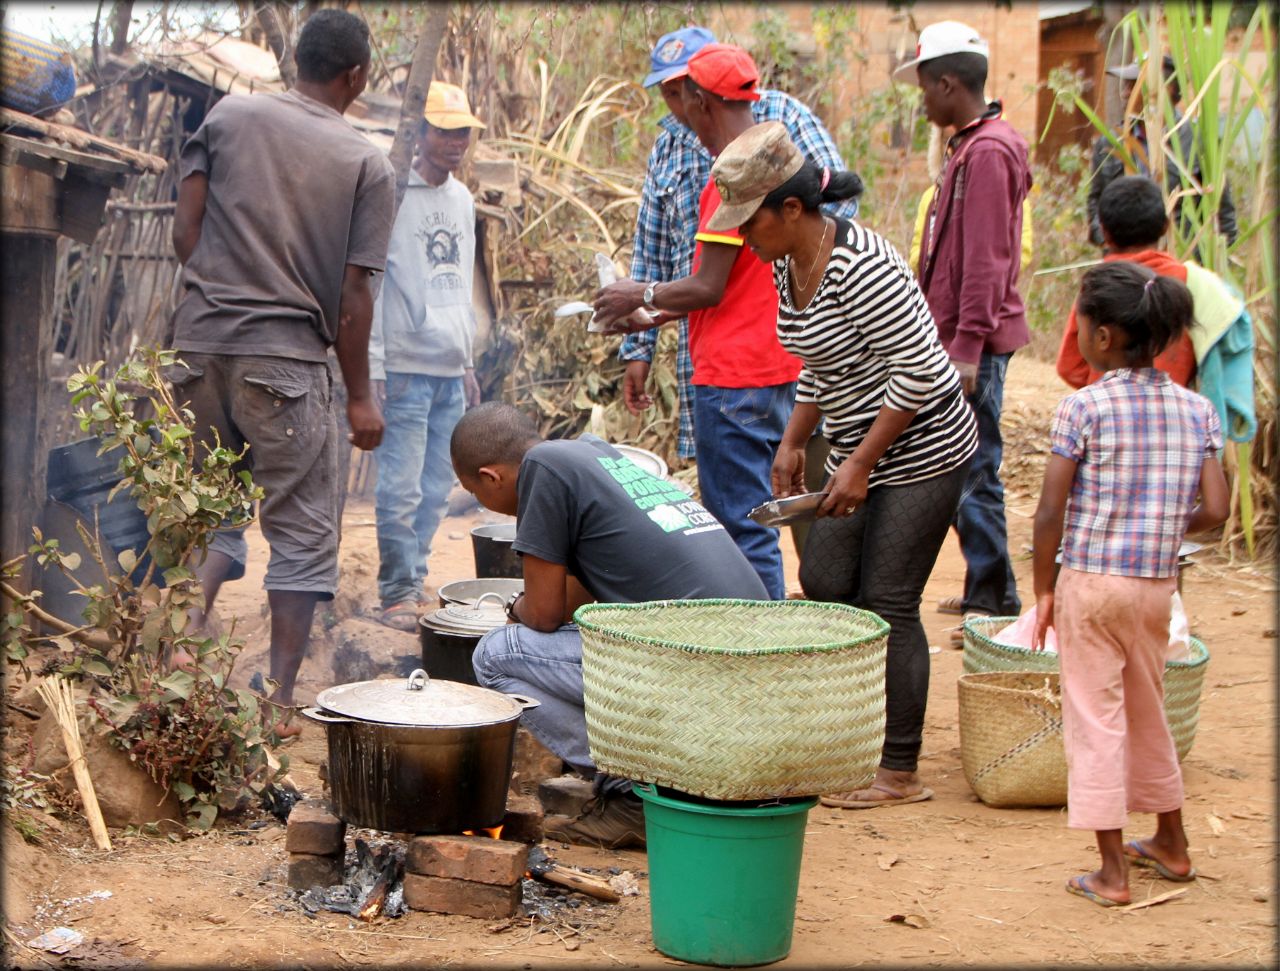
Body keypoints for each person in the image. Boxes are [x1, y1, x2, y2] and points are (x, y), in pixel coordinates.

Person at [708, 122, 977, 809]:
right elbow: (822, 364)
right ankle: (857, 732)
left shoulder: (863, 266)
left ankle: (898, 769)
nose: (742, 235)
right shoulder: (784, 261)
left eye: (750, 221)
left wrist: (857, 463)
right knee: (827, 578)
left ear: (791, 209)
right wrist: (795, 440)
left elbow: (921, 374)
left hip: (923, 447)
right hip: (857, 439)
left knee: (890, 600)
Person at [168, 9, 395, 717]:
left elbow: (184, 232)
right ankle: (279, 699)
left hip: (197, 350)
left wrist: (222, 294)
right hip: (287, 363)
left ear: (298, 59)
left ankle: (180, 645)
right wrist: (360, 397)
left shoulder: (229, 116)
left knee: (206, 504)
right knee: (300, 532)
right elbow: (353, 296)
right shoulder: (366, 162)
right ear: (355, 76)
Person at [450, 402, 768, 848]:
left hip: (701, 663)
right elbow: (570, 604)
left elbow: (541, 615)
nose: (483, 503)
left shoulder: (540, 470)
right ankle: (661, 778)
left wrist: (512, 607)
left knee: (496, 654)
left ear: (489, 477)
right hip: (752, 653)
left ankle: (632, 796)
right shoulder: (593, 453)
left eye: (474, 492)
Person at [1031, 261, 1228, 906]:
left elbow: (1049, 511)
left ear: (1105, 337)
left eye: (1081, 323)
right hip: (1155, 588)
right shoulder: (1196, 410)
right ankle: (1171, 843)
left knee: (1095, 720)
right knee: (1147, 711)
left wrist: (1043, 590)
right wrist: (1164, 525)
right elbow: (1218, 511)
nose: (1079, 333)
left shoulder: (1083, 406)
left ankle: (1111, 873)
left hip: (1092, 582)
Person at [594, 43, 815, 600]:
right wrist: (654, 314)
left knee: (744, 527)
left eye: (682, 100)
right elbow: (735, 283)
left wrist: (636, 292)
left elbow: (710, 285)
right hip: (781, 363)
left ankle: (760, 654)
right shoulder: (779, 155)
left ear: (700, 101)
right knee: (766, 515)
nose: (680, 114)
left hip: (733, 377)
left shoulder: (732, 174)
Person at [618, 26, 856, 468]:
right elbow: (655, 250)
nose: (678, 105)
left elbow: (835, 210)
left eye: (682, 90)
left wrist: (640, 295)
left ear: (702, 94)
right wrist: (641, 342)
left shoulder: (782, 124)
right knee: (756, 500)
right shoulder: (670, 145)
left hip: (781, 356)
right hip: (719, 352)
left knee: (785, 502)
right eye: (667, 93)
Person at [896, 21, 1031, 639]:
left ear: (948, 83)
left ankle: (995, 599)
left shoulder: (990, 152)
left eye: (924, 86)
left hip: (970, 343)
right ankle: (986, 582)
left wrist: (968, 347)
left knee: (973, 464)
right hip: (953, 337)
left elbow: (986, 261)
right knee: (960, 461)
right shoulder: (972, 147)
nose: (921, 100)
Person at [369, 82, 485, 631]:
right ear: (419, 132)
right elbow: (369, 285)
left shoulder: (462, 200)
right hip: (405, 366)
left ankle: (414, 577)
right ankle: (396, 591)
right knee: (400, 486)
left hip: (447, 368)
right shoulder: (393, 195)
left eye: (461, 131)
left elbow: (459, 286)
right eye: (443, 130)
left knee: (438, 485)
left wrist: (466, 362)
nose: (454, 141)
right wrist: (372, 368)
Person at [1057, 176, 1257, 446]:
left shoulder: (1098, 284)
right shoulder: (1193, 282)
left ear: (1102, 231)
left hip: (1105, 426)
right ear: (1165, 226)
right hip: (1175, 429)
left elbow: (1071, 366)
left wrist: (1100, 389)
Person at [1087, 54, 1237, 251]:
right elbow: (1096, 201)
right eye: (1126, 85)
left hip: (1181, 263)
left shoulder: (1197, 141)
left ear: (1166, 89)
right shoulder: (1111, 141)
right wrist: (1107, 241)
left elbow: (1222, 212)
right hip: (1126, 265)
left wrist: (1210, 261)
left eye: (1134, 85)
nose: (1125, 93)